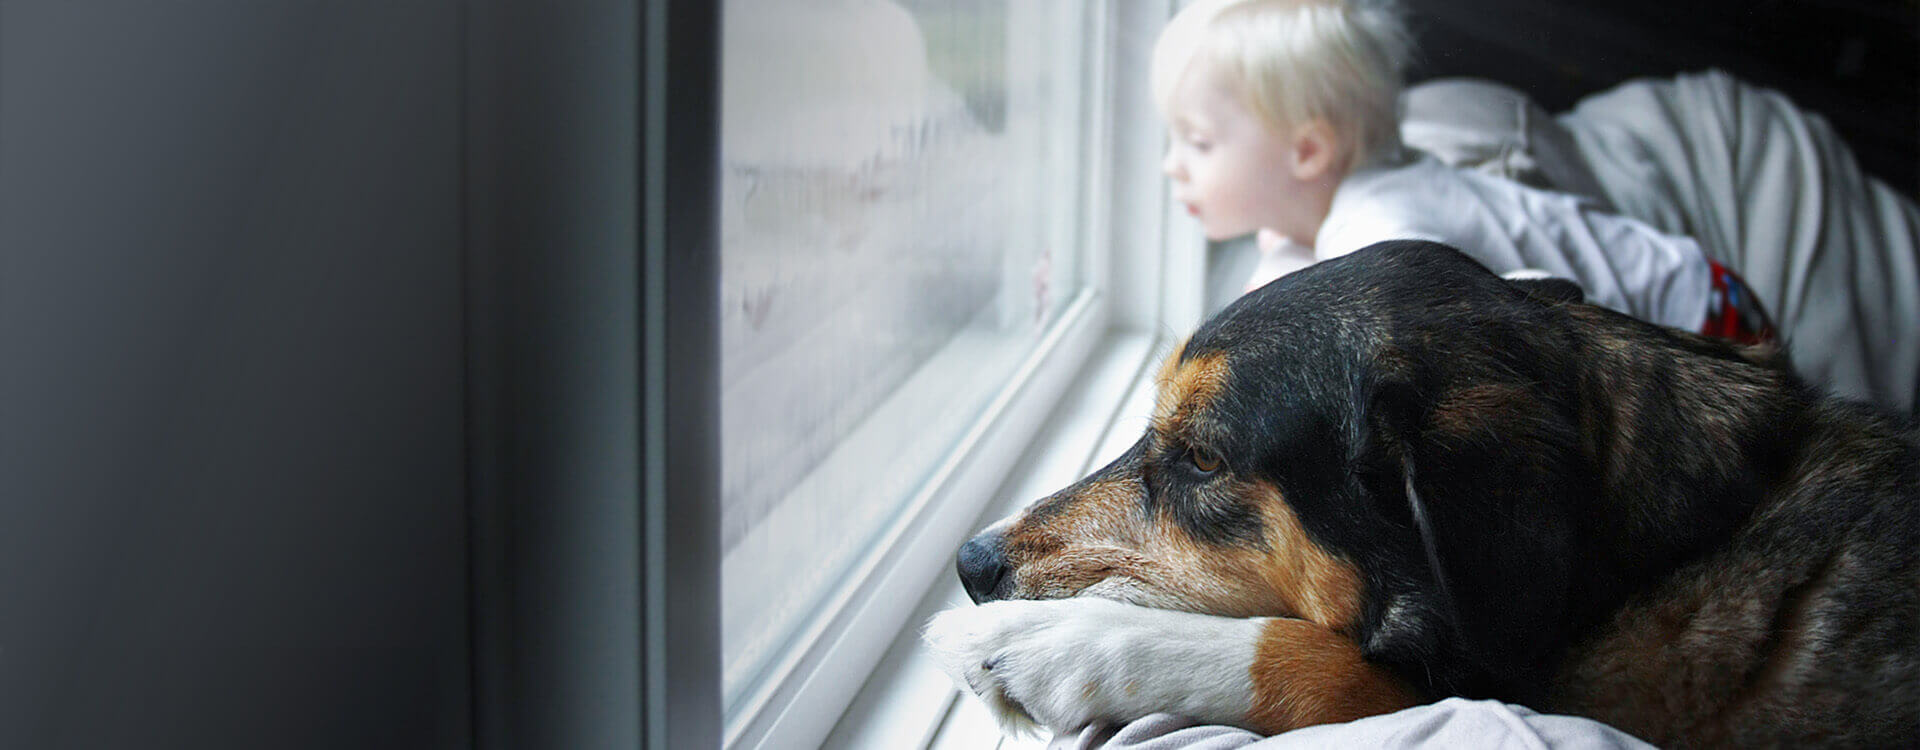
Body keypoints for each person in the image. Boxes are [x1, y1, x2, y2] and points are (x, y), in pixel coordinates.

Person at [1153, 0, 1774, 344]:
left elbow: (1531, 314)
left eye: (1198, 142)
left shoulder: (1379, 228)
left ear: (1308, 152)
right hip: (1703, 279)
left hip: (1707, 320)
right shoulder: (1348, 190)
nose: (1170, 165)